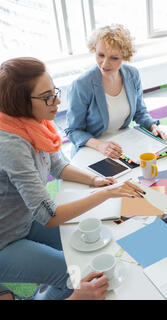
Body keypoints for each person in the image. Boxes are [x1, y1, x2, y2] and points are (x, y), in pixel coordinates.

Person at [0, 57, 146, 299]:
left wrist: (94, 181)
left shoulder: (35, 124)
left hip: (23, 220)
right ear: (21, 104)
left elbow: (57, 166)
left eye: (54, 91)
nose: (57, 101)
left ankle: (49, 283)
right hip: (5, 241)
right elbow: (50, 216)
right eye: (47, 96)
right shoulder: (11, 145)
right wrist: (106, 193)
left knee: (91, 243)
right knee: (78, 277)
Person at [65, 24, 167, 158]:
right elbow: (73, 130)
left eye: (114, 58)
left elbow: (139, 112)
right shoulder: (81, 85)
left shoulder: (132, 75)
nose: (105, 63)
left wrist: (153, 127)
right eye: (100, 55)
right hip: (91, 148)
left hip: (122, 144)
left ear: (125, 56)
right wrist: (100, 145)